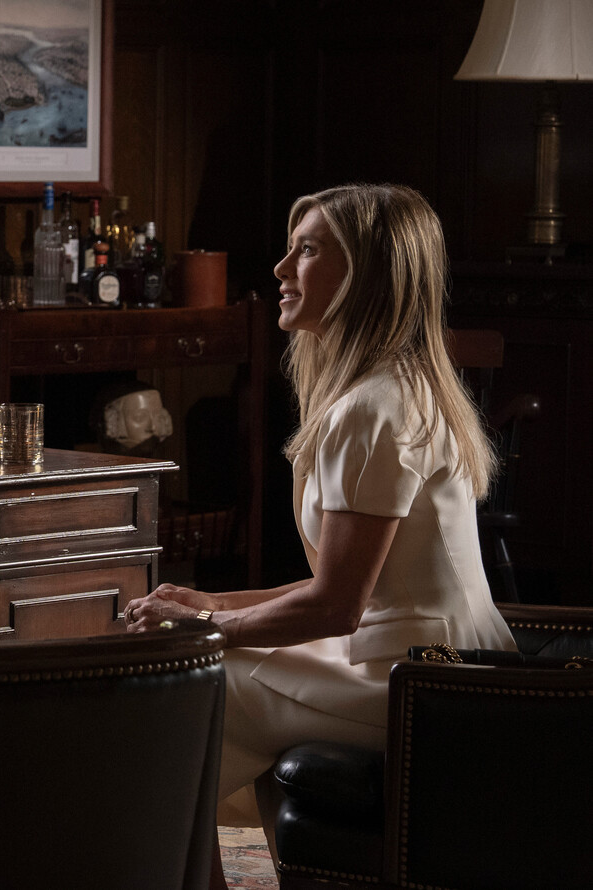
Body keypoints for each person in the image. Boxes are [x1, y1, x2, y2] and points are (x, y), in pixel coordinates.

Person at [123, 183, 515, 887]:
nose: (280, 269)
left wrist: (203, 631)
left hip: (425, 681)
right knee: (203, 678)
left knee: (183, 687)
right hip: (438, 660)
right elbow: (347, 587)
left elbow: (336, 605)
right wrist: (211, 603)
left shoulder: (370, 409)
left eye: (305, 251)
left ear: (367, 274)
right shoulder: (401, 385)